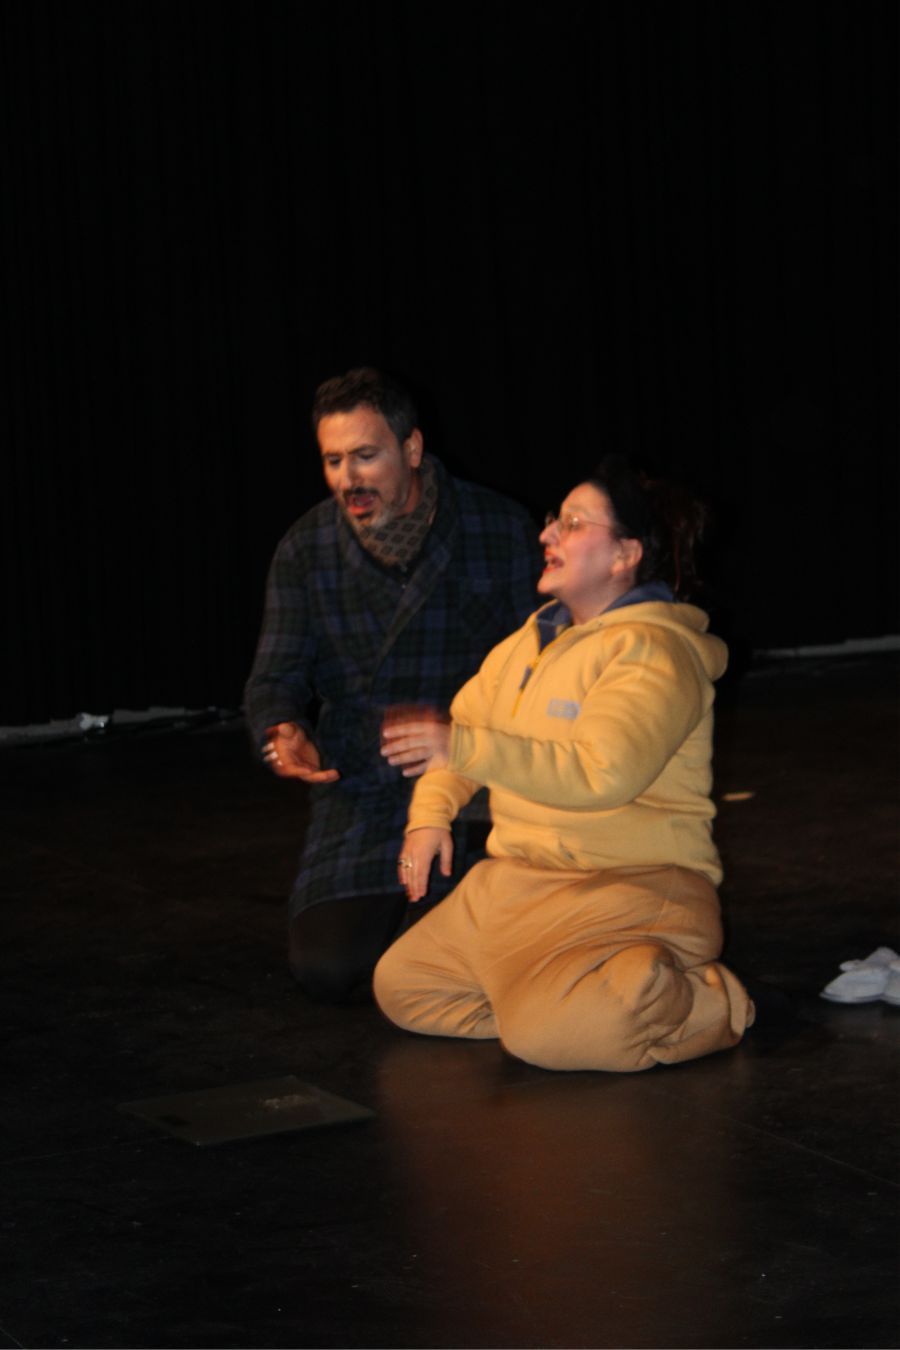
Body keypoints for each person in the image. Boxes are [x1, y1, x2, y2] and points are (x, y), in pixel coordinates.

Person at [374, 455, 755, 1072]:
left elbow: (604, 773)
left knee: (547, 1038)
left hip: (629, 887)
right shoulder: (528, 643)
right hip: (519, 884)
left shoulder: (653, 649)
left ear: (625, 554)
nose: (547, 533)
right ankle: (555, 1002)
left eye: (573, 523)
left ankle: (707, 1001)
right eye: (554, 520)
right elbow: (463, 738)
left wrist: (461, 748)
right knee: (403, 988)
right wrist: (429, 817)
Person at [244, 367, 540, 1003]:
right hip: (365, 787)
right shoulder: (306, 548)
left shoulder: (498, 527)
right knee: (328, 968)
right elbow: (274, 676)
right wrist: (283, 732)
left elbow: (544, 669)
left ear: (411, 448)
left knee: (460, 959)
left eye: (365, 456)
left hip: (474, 779)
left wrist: (469, 736)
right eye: (333, 461)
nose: (347, 479)